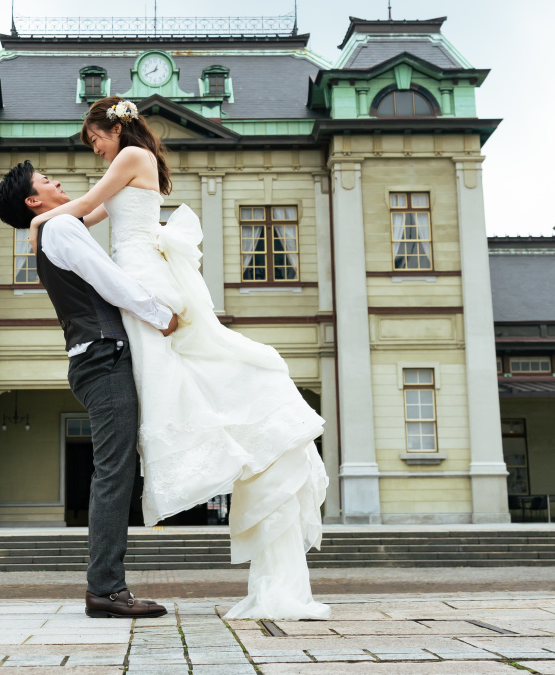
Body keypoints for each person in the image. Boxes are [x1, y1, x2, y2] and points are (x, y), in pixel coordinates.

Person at [25, 96, 330, 620]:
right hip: (134, 275)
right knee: (167, 388)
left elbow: (83, 208)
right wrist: (49, 219)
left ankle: (204, 447)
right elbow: (90, 213)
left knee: (164, 390)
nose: (96, 153)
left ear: (113, 129)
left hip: (140, 275)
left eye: (95, 141)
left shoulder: (129, 159)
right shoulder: (127, 166)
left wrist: (38, 223)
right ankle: (203, 444)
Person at [0, 165, 174, 619]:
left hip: (99, 355)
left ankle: (106, 587)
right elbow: (104, 277)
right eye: (45, 181)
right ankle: (105, 589)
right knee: (113, 471)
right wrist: (158, 313)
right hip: (103, 356)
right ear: (34, 200)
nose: (56, 181)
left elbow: (98, 203)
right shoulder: (60, 230)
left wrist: (35, 221)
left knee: (116, 468)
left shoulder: (57, 225)